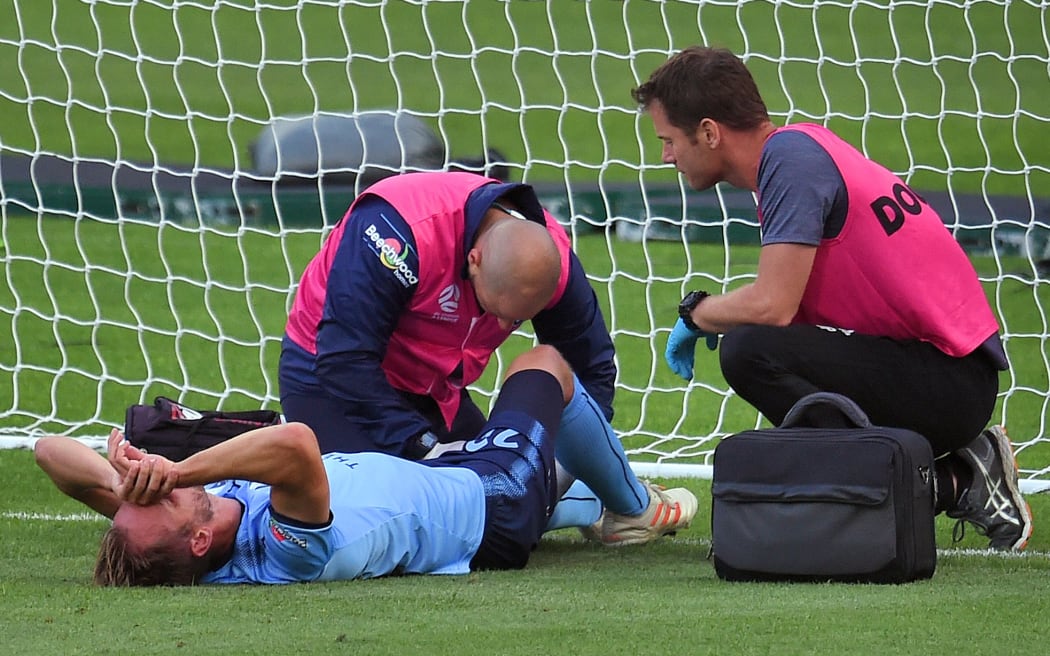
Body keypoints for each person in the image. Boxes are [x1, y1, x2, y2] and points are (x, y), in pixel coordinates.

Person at [631, 46, 1032, 551]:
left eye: (669, 141)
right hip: (946, 370)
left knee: (748, 350)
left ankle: (929, 484)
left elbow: (772, 306)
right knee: (758, 347)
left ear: (710, 133)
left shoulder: (789, 165)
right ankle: (948, 476)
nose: (666, 156)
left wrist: (698, 313)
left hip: (952, 382)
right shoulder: (798, 147)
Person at [34, 346, 699, 585]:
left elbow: (48, 455)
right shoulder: (282, 553)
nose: (154, 491)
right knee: (543, 366)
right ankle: (633, 511)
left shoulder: (184, 533)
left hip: (440, 479)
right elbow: (294, 445)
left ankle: (584, 506)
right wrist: (176, 473)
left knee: (555, 477)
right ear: (199, 538)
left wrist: (119, 474)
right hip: (487, 505)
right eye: (157, 500)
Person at [279, 169, 637, 540]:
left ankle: (603, 501)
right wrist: (424, 447)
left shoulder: (552, 262)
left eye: (516, 320)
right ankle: (273, 454)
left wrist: (561, 470)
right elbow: (344, 359)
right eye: (494, 310)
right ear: (474, 259)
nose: (501, 325)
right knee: (389, 516)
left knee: (492, 501)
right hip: (328, 380)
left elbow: (591, 371)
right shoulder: (396, 231)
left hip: (433, 389)